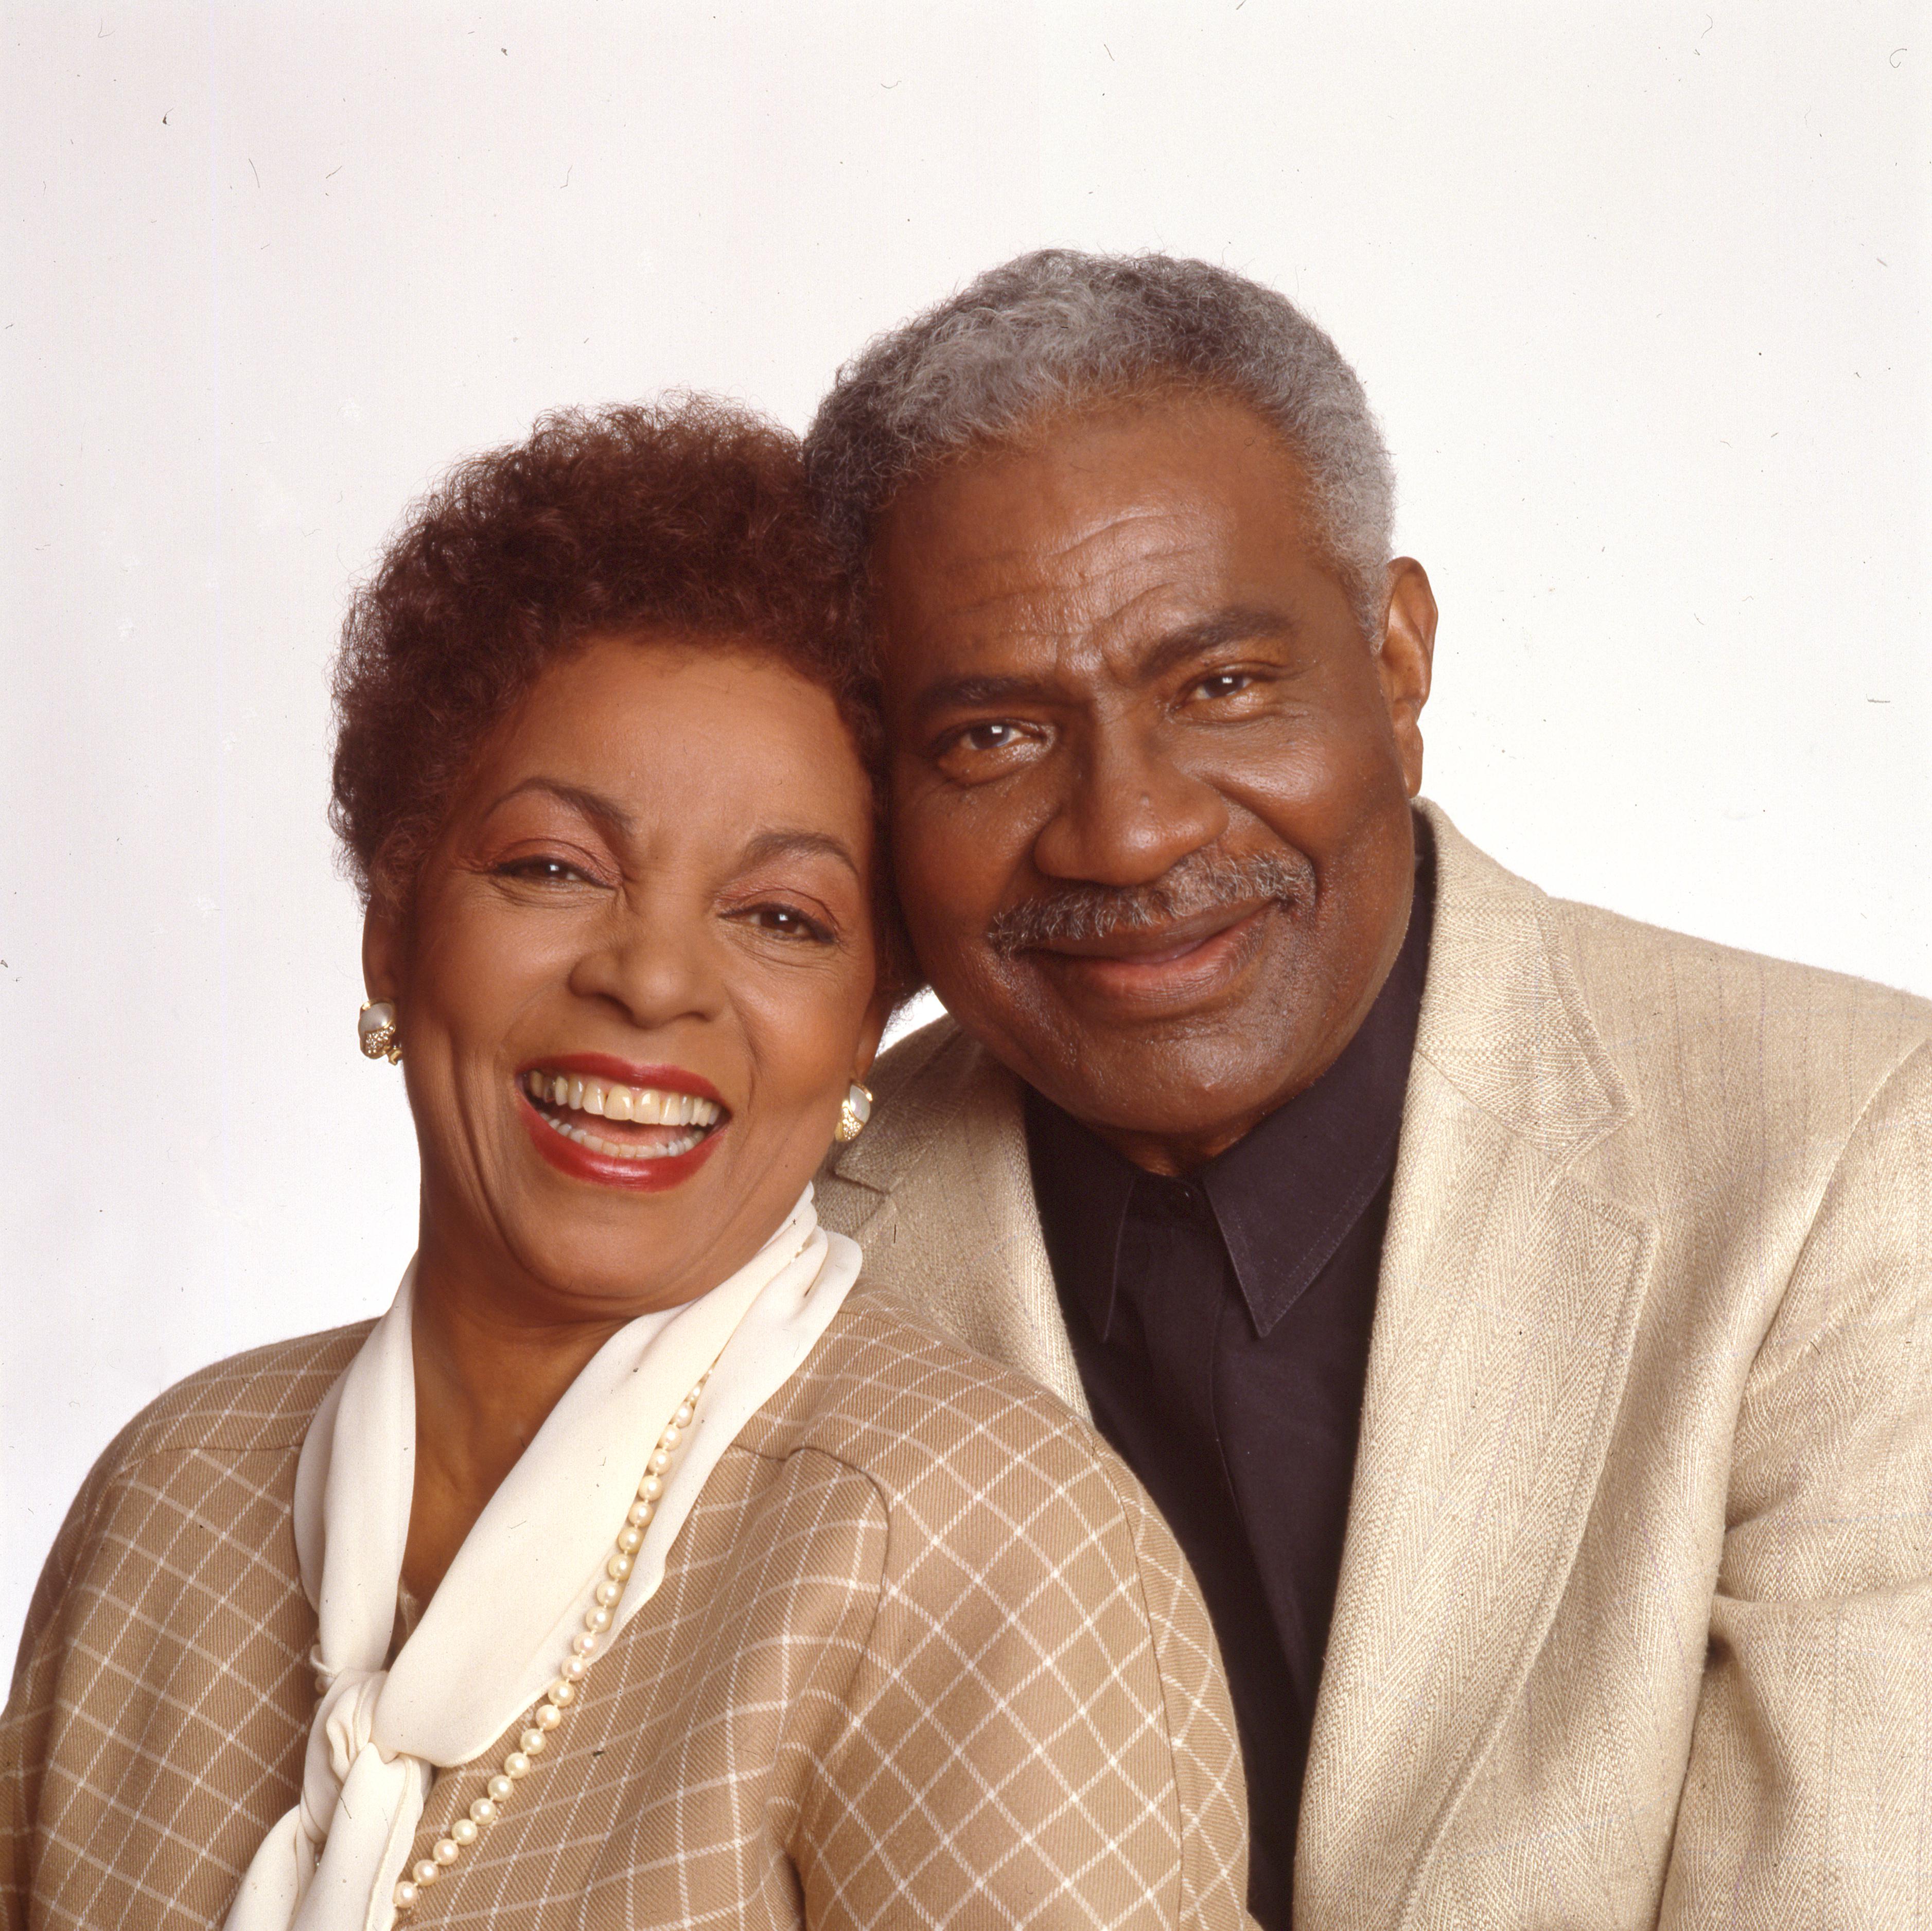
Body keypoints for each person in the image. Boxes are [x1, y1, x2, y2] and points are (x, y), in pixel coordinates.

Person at [0, 400, 1250, 1931]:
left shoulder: (974, 1550)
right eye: (553, 867)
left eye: (782, 915)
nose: (654, 980)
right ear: (394, 925)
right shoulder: (172, 1491)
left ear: (867, 1027)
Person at [804, 251, 1932, 1929]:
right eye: (991, 736)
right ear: (876, 771)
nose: (1129, 832)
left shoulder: (1840, 1148)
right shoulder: (786, 1234)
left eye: (1223, 686)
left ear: (1396, 662)